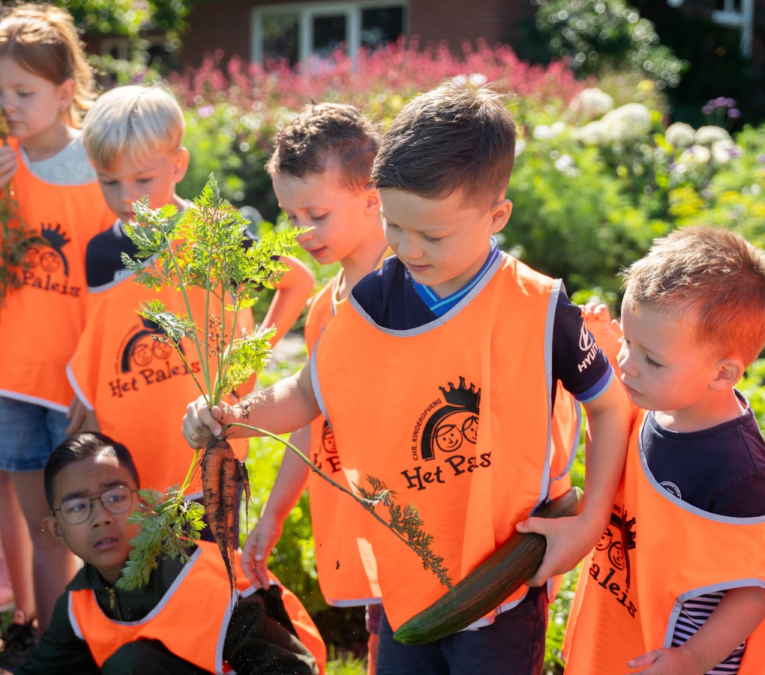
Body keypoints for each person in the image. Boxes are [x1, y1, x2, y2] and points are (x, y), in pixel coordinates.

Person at [184, 82, 632, 675]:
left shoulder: (539, 306)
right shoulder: (375, 297)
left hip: (504, 584)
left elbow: (611, 407)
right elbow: (306, 392)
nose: (408, 249)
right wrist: (230, 415)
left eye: (433, 234)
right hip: (407, 576)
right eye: (395, 226)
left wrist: (588, 522)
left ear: (496, 216)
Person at [563, 227, 765, 674]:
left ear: (723, 374)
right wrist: (606, 347)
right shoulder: (659, 398)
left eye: (651, 359)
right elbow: (622, 402)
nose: (627, 366)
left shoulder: (739, 471)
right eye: (629, 342)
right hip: (627, 625)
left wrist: (694, 657)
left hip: (680, 655)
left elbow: (760, 586)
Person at [0, 4, 111, 632]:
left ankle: (102, 636)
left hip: (80, 384)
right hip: (11, 376)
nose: (6, 104)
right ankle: (47, 638)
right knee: (45, 529)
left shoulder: (101, 163)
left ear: (65, 91)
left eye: (23, 91)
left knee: (96, 524)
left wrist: (94, 386)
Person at [66, 85, 313, 504]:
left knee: (210, 567)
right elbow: (102, 348)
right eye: (110, 181)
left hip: (209, 450)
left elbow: (298, 282)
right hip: (128, 460)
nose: (127, 196)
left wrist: (247, 363)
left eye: (143, 179)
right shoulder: (99, 254)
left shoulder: (216, 233)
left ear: (178, 164)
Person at [240, 103, 389, 670]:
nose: (303, 232)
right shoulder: (327, 309)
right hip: (368, 522)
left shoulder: (414, 295)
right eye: (291, 214)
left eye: (317, 214)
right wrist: (275, 513)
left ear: (372, 196)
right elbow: (311, 419)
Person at [13, 432, 326, 675]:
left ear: (146, 505)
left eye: (115, 496)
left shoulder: (204, 583)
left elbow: (294, 668)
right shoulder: (81, 600)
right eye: (79, 507)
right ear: (56, 529)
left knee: (130, 666)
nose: (101, 517)